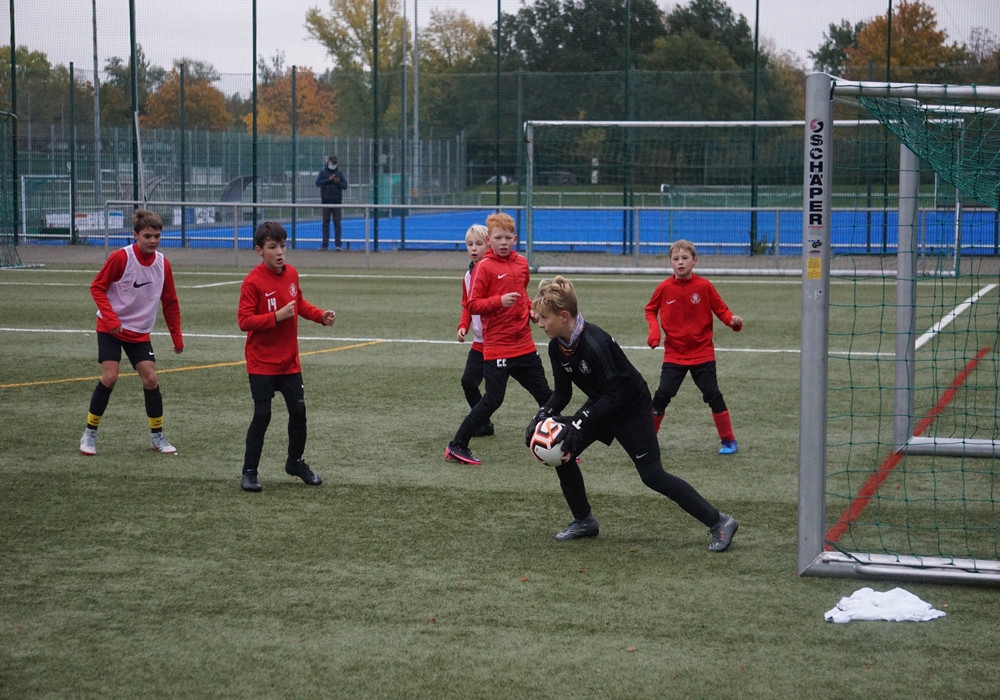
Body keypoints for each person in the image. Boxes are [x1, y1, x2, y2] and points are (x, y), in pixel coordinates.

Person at [527, 275, 738, 551]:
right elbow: (562, 392)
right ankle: (584, 520)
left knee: (652, 475)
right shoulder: (557, 346)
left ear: (564, 316)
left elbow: (616, 394)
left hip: (631, 407)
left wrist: (577, 423)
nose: (540, 323)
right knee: (563, 451)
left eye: (544, 318)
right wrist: (542, 415)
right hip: (602, 404)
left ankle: (719, 521)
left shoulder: (595, 343)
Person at [445, 211, 551, 466]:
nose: (503, 243)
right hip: (497, 347)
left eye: (507, 238)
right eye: (497, 238)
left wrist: (531, 311)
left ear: (515, 239)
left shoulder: (522, 264)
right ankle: (457, 445)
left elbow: (522, 294)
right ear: (489, 241)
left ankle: (563, 443)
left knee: (547, 396)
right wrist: (498, 302)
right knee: (493, 399)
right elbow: (473, 304)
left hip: (524, 344)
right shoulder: (483, 267)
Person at [237, 221, 337, 492]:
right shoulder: (252, 282)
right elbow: (244, 321)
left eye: (282, 245)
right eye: (272, 247)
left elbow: (299, 303)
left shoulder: (291, 273)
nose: (279, 252)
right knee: (262, 415)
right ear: (259, 250)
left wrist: (320, 316)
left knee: (299, 412)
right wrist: (276, 317)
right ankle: (249, 472)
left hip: (289, 362)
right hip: (261, 363)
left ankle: (295, 462)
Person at [79, 209, 183, 456]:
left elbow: (170, 301)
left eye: (157, 236)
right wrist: (111, 318)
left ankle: (157, 436)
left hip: (139, 332)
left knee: (151, 379)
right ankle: (89, 433)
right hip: (111, 328)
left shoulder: (162, 264)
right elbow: (97, 287)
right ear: (135, 235)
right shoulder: (121, 258)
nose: (153, 241)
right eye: (147, 236)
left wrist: (176, 336)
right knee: (110, 377)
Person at [644, 239, 743, 455]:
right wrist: (654, 332)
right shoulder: (664, 288)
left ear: (694, 261)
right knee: (662, 395)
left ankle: (728, 440)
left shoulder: (704, 286)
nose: (680, 262)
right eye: (675, 259)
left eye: (685, 258)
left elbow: (722, 310)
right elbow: (650, 310)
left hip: (702, 353)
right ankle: (647, 442)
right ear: (670, 262)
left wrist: (733, 322)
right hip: (674, 355)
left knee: (713, 394)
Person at [456, 223, 494, 438]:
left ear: (488, 245)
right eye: (470, 244)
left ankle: (553, 419)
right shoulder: (467, 276)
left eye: (478, 244)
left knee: (532, 385)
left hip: (499, 341)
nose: (473, 248)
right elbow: (467, 305)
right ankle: (483, 422)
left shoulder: (493, 272)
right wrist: (463, 326)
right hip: (480, 343)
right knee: (468, 382)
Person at [315, 155, 348, 250]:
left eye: (335, 163)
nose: (333, 164)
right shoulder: (322, 173)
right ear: (328, 161)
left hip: (337, 202)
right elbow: (318, 183)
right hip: (325, 202)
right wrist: (328, 179)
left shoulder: (339, 173)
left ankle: (338, 245)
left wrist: (337, 182)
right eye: (332, 162)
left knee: (337, 224)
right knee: (325, 224)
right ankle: (325, 245)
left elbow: (345, 186)